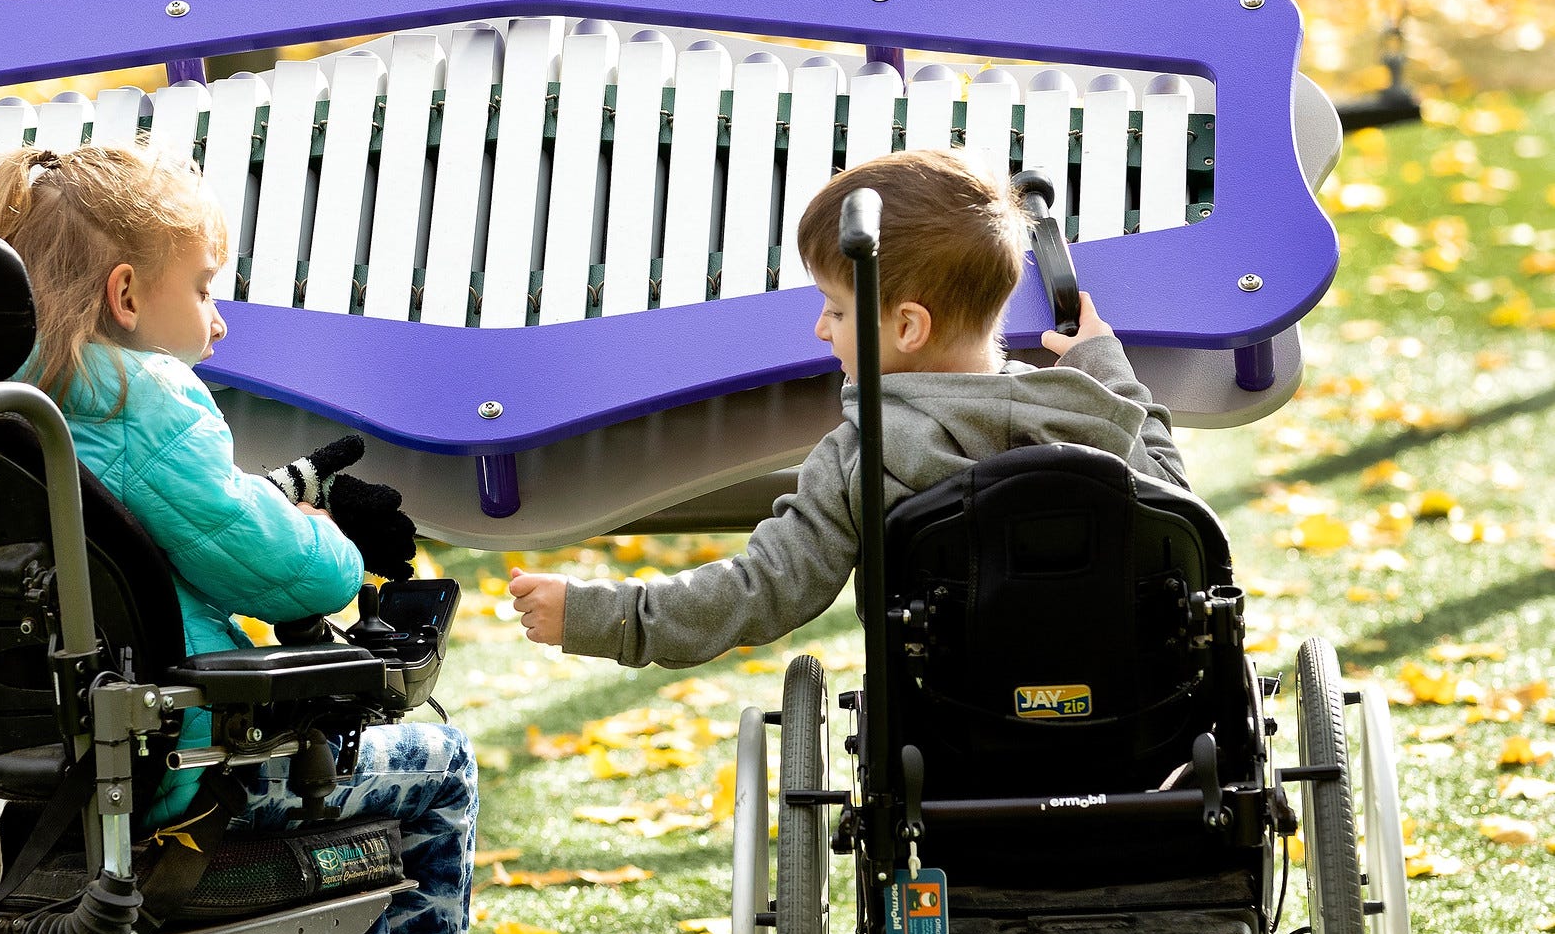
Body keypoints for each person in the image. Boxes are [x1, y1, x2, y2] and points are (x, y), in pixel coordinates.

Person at [0, 143, 474, 934]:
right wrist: (327, 537)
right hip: (179, 774)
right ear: (124, 295)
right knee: (442, 764)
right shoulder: (140, 399)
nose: (218, 316)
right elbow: (289, 576)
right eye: (202, 288)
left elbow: (187, 522)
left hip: (22, 779)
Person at [508, 149, 1191, 664]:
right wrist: (1102, 364)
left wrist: (602, 616)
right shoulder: (1080, 415)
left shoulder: (863, 459)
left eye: (835, 308)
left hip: (952, 729)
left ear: (906, 328)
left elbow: (761, 588)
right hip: (1128, 700)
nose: (820, 328)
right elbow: (1175, 509)